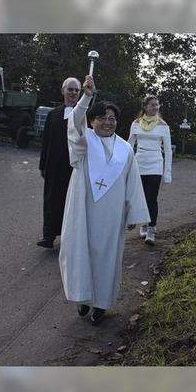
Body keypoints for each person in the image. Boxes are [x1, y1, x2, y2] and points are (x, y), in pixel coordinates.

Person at [59, 75, 150, 326]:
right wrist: (87, 96)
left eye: (112, 119)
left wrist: (134, 214)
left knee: (106, 257)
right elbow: (74, 121)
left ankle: (100, 304)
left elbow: (132, 183)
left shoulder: (125, 149)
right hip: (83, 209)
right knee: (82, 252)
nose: (108, 123)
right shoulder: (84, 141)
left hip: (111, 214)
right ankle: (83, 297)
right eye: (102, 118)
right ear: (92, 120)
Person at [37, 77, 81, 248]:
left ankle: (69, 238)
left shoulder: (83, 114)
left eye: (77, 90)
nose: (73, 93)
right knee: (51, 200)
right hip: (54, 166)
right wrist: (42, 165)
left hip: (74, 166)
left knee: (71, 202)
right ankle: (48, 236)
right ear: (63, 91)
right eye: (70, 89)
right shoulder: (53, 114)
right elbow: (46, 141)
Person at [128, 95, 173, 246]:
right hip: (139, 162)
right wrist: (123, 165)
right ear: (145, 107)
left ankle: (152, 228)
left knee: (151, 198)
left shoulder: (163, 125)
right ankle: (144, 224)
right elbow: (129, 145)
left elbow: (168, 150)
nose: (155, 107)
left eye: (157, 105)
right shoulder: (136, 124)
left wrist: (167, 173)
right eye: (152, 105)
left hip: (155, 164)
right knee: (140, 197)